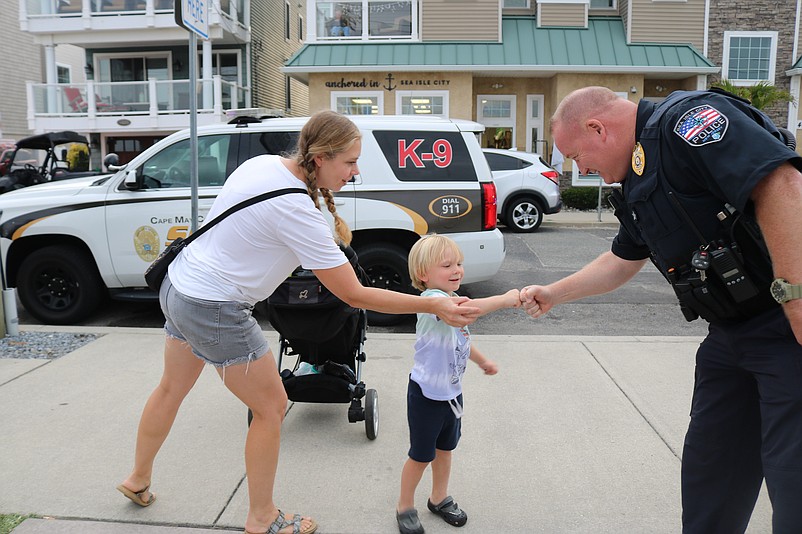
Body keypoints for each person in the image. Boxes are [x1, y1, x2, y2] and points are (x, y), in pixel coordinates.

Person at [116, 110, 481, 534]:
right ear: (321, 157)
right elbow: (354, 294)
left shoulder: (262, 165)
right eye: (349, 162)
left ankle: (137, 478)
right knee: (270, 408)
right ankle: (262, 518)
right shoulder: (299, 211)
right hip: (216, 307)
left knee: (170, 388)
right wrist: (432, 306)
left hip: (180, 289)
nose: (356, 172)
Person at [521, 86, 802, 533]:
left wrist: (796, 300)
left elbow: (781, 182)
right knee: (711, 477)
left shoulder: (689, 122)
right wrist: (554, 293)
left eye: (576, 155)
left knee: (794, 490)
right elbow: (622, 259)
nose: (581, 169)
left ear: (598, 128)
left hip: (786, 328)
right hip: (729, 338)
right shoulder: (637, 179)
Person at [396, 234, 520, 534]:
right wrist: (505, 299)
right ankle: (404, 506)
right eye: (447, 264)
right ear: (423, 275)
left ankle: (438, 497)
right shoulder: (432, 302)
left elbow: (461, 339)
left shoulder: (451, 300)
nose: (457, 270)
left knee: (445, 449)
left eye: (459, 263)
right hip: (426, 395)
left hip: (451, 394)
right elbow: (468, 313)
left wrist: (482, 361)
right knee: (420, 455)